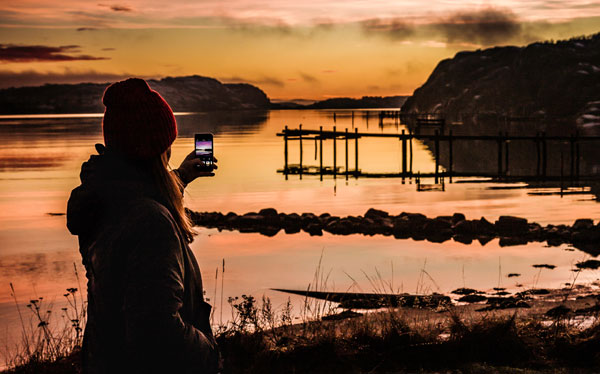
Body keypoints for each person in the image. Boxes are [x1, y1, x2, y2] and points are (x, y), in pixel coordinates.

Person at [66, 78, 221, 374]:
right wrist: (208, 352)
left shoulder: (107, 200)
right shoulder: (151, 224)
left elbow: (136, 189)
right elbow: (157, 333)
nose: (170, 152)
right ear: (156, 149)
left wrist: (181, 177)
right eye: (167, 145)